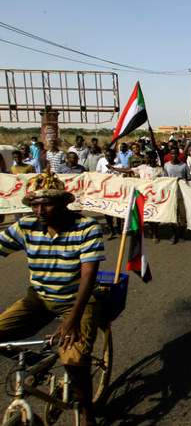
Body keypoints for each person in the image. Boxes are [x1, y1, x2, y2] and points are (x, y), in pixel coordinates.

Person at [0, 170, 105, 426]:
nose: (40, 210)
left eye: (46, 204)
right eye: (35, 205)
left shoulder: (86, 227)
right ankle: (37, 362)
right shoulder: (25, 226)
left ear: (64, 203)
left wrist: (72, 318)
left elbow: (89, 274)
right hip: (39, 297)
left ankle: (87, 413)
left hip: (78, 299)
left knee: (74, 358)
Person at [107, 151, 165, 243]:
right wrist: (113, 168)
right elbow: (128, 170)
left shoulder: (160, 170)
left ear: (152, 159)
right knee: (143, 215)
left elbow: (165, 182)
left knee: (154, 215)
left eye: (147, 158)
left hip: (154, 196)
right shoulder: (142, 168)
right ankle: (144, 230)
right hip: (142, 195)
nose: (145, 159)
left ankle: (154, 234)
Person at [163, 147, 190, 244]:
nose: (174, 155)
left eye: (176, 154)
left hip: (182, 195)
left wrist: (183, 181)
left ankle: (182, 234)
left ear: (179, 155)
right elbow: (165, 179)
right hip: (171, 195)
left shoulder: (184, 166)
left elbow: (188, 179)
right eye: (172, 154)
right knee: (172, 216)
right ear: (170, 155)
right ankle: (174, 234)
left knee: (182, 216)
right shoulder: (166, 166)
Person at [95, 149, 123, 239]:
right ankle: (111, 231)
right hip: (105, 191)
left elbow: (122, 178)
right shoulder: (101, 162)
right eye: (107, 156)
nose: (108, 157)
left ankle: (119, 230)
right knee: (107, 212)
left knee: (118, 212)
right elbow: (97, 175)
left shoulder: (119, 165)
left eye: (110, 156)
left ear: (114, 156)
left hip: (117, 192)